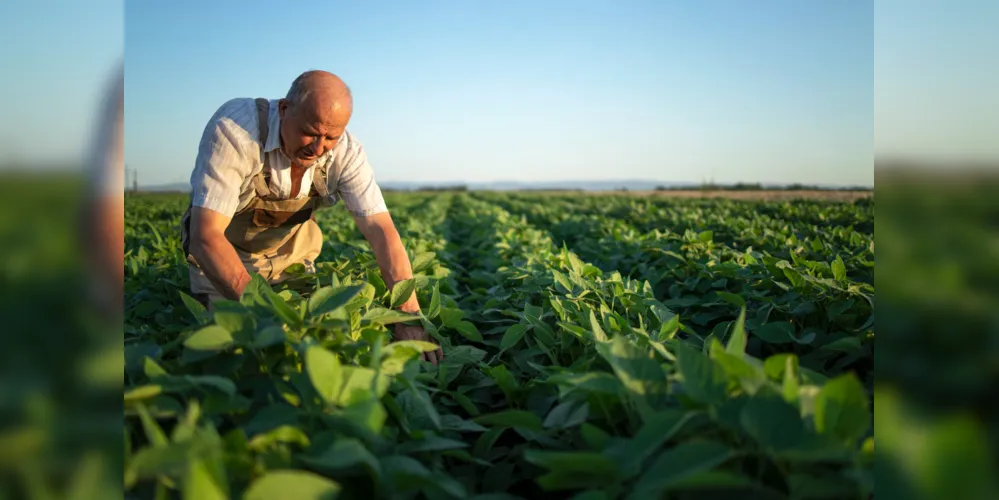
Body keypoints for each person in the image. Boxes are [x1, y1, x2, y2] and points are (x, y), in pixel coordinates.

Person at [181, 70, 442, 363]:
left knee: (323, 347)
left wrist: (407, 317)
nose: (318, 148)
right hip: (225, 261)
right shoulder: (236, 130)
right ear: (284, 109)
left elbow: (381, 231)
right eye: (310, 132)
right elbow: (205, 238)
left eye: (331, 137)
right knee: (237, 352)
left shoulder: (347, 152)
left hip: (292, 260)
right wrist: (270, 316)